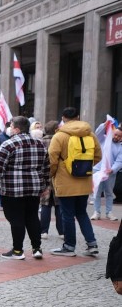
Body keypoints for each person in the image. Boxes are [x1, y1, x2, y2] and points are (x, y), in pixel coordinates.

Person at [0, 116, 51, 260]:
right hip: (34, 187)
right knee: (32, 217)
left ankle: (17, 251)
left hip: (12, 189)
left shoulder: (8, 144)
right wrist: (46, 185)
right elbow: (46, 168)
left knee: (16, 219)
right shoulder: (40, 145)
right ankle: (36, 248)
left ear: (15, 128)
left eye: (11, 126)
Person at [48, 107, 102, 257]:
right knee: (82, 213)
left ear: (63, 118)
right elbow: (98, 155)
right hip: (84, 180)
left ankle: (69, 246)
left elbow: (52, 159)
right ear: (78, 117)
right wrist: (85, 167)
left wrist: (53, 173)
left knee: (67, 215)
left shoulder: (59, 136)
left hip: (65, 181)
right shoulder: (90, 134)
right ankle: (92, 244)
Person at [91, 123, 122, 221]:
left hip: (110, 172)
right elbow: (97, 132)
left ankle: (109, 212)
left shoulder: (120, 147)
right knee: (97, 192)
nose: (116, 137)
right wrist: (105, 124)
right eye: (115, 134)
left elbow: (120, 161)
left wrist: (112, 169)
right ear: (112, 133)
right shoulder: (104, 139)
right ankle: (97, 212)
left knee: (109, 192)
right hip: (98, 170)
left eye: (119, 136)